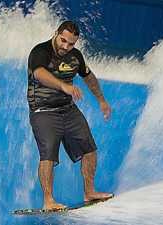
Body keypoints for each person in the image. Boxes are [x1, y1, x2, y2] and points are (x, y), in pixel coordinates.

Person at [27, 21, 113, 210]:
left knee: (89, 149)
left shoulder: (75, 56)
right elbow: (39, 73)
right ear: (56, 33)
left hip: (68, 109)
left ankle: (89, 192)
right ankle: (48, 200)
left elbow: (88, 76)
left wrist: (101, 100)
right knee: (48, 153)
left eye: (71, 43)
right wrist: (63, 85)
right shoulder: (40, 51)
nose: (66, 46)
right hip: (43, 110)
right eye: (63, 40)